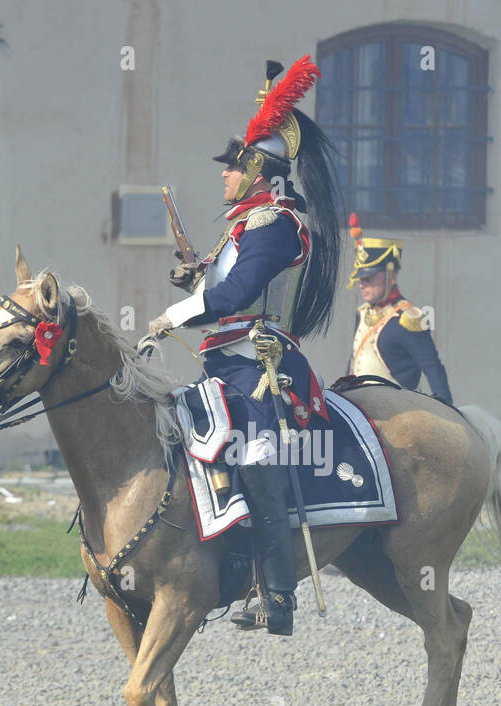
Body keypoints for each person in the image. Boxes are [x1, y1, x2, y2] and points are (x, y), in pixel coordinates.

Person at [147, 57, 342, 636]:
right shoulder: (243, 227)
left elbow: (238, 294)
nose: (224, 176)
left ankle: (278, 594)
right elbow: (223, 287)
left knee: (257, 458)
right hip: (223, 361)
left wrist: (176, 312)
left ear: (258, 169)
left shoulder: (276, 225)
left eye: (232, 168)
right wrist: (194, 279)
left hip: (262, 364)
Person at [345, 216, 452, 403]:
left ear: (390, 277)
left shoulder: (409, 318)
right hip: (360, 407)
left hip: (398, 414)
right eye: (361, 280)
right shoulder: (361, 313)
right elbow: (355, 362)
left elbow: (432, 368)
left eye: (368, 278)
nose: (362, 285)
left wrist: (448, 411)